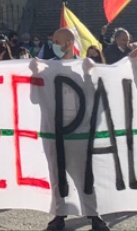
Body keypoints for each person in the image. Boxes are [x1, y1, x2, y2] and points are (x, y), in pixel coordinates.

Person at [43, 28, 110, 231]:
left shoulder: (83, 67)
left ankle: (93, 215)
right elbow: (34, 96)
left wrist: (89, 75)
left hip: (79, 130)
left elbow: (92, 97)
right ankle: (59, 215)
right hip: (55, 130)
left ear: (69, 43)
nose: (53, 43)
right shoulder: (47, 68)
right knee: (57, 175)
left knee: (85, 175)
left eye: (57, 40)